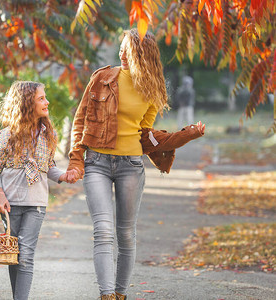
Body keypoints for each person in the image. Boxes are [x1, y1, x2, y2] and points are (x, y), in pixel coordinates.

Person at [66, 29, 205, 300]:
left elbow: (147, 136)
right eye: (121, 48)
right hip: (97, 162)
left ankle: (119, 293)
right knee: (103, 230)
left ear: (142, 54)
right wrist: (76, 160)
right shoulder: (101, 78)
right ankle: (106, 295)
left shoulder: (152, 88)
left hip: (131, 165)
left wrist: (185, 135)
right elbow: (80, 121)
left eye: (127, 49)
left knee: (126, 234)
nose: (121, 54)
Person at [0, 81, 80, 300]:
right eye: (41, 98)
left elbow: (48, 167)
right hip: (9, 204)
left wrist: (64, 176)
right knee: (14, 255)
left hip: (36, 203)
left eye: (45, 97)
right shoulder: (7, 135)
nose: (46, 102)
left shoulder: (47, 134)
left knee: (26, 255)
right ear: (27, 103)